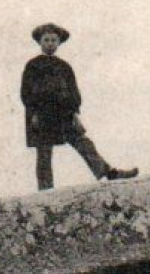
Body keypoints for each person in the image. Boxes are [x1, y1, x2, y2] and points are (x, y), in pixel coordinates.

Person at [20, 23, 138, 190]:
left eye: (54, 40)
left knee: (83, 143)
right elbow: (26, 93)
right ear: (40, 42)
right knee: (44, 153)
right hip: (41, 114)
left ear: (59, 43)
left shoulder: (64, 67)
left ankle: (108, 172)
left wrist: (75, 113)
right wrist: (34, 114)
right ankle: (45, 190)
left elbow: (74, 92)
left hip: (63, 113)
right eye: (46, 40)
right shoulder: (32, 65)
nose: (50, 43)